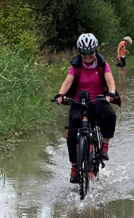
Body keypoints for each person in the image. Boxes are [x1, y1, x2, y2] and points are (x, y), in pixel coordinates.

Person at [54, 33, 120, 183]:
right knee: (71, 135)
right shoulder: (76, 65)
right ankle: (74, 168)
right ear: (80, 52)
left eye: (90, 52)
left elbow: (111, 81)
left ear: (95, 50)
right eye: (84, 53)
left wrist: (110, 93)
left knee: (110, 114)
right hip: (79, 103)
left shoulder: (102, 64)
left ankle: (104, 146)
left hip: (98, 101)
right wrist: (60, 95)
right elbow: (67, 83)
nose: (87, 56)